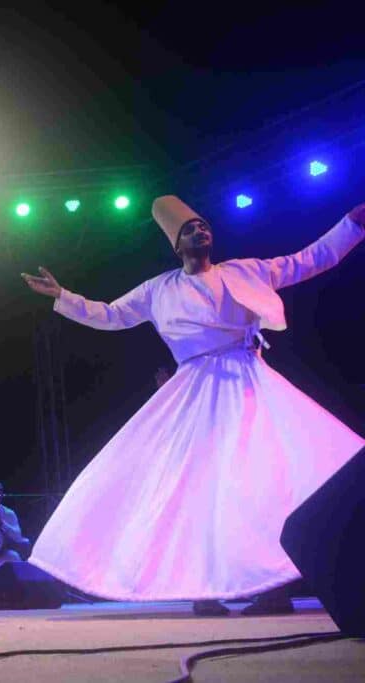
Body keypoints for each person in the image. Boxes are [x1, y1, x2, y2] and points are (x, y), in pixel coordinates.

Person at [22, 196, 365, 616]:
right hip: (195, 389)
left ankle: (271, 586)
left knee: (260, 481)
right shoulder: (158, 289)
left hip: (248, 380)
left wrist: (350, 225)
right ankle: (203, 589)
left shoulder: (245, 271)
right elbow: (111, 315)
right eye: (190, 229)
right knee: (196, 487)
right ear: (176, 245)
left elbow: (307, 259)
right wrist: (63, 295)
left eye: (204, 225)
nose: (201, 231)